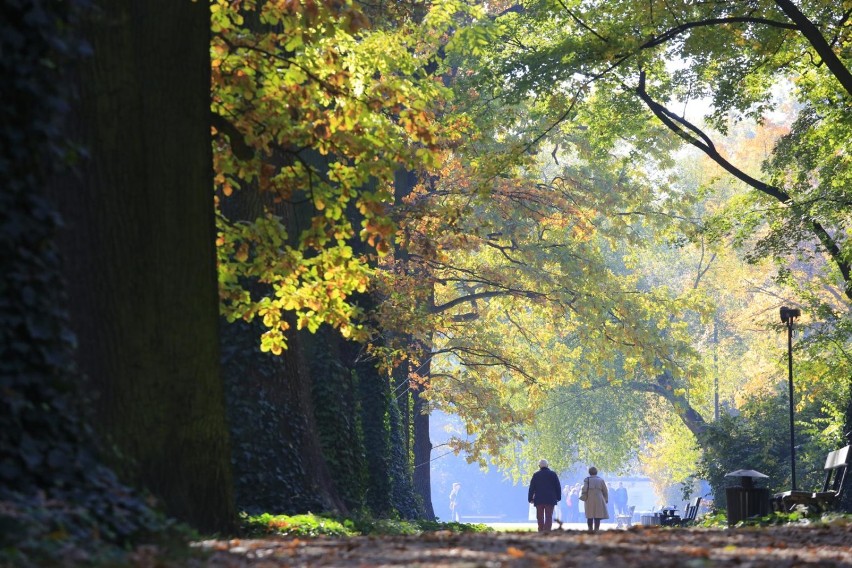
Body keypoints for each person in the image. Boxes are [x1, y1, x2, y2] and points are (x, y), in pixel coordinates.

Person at [527, 459, 562, 532]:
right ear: (547, 465)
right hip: (550, 499)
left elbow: (532, 488)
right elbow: (557, 486)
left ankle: (541, 530)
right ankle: (547, 531)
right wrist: (558, 497)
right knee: (549, 516)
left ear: (539, 466)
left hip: (539, 499)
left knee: (540, 517)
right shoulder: (553, 474)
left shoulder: (536, 475)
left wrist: (530, 498)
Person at [580, 466, 608, 532]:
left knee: (589, 515)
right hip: (599, 498)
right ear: (596, 472)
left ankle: (590, 529)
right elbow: (605, 491)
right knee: (597, 515)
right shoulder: (601, 480)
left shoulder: (587, 479)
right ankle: (596, 530)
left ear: (589, 472)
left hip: (589, 498)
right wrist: (606, 499)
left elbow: (584, 489)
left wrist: (583, 494)